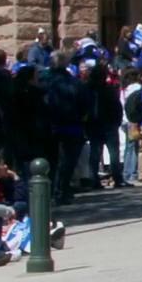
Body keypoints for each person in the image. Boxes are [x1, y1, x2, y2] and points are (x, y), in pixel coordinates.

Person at [43, 53, 91, 205]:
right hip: (71, 127)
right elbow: (85, 105)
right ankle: (62, 191)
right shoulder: (74, 83)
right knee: (67, 162)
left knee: (51, 161)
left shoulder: (43, 81)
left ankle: (51, 192)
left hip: (49, 127)